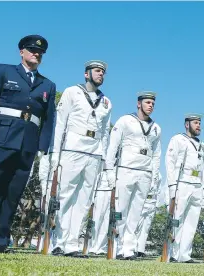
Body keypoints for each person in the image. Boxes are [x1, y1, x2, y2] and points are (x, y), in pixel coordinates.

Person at [0, 34, 56, 253]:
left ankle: (0, 241)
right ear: (21, 52)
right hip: (3, 138)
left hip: (28, 144)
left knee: (14, 194)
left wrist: (43, 148)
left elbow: (48, 120)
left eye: (40, 52)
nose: (36, 54)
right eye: (32, 50)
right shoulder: (3, 71)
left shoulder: (48, 84)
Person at [49, 60, 112, 257]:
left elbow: (105, 134)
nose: (100, 74)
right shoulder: (71, 92)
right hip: (72, 150)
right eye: (97, 71)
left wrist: (104, 160)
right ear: (86, 74)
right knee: (65, 196)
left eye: (103, 72)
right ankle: (58, 242)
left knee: (84, 201)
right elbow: (60, 124)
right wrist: (55, 153)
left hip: (94, 154)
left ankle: (72, 244)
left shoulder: (106, 102)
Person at [104, 91, 161, 260]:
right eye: (147, 102)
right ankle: (119, 246)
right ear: (138, 104)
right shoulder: (125, 121)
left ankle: (128, 248)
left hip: (144, 173)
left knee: (136, 213)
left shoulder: (157, 128)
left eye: (152, 103)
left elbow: (156, 154)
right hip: (126, 169)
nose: (150, 105)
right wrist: (109, 170)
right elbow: (112, 147)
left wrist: (154, 176)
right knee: (121, 210)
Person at [165, 113, 204, 263]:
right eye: (195, 123)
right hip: (182, 182)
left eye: (199, 123)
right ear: (187, 124)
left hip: (197, 184)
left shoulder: (203, 146)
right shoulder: (178, 139)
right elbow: (170, 162)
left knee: (192, 222)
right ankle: (173, 253)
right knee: (177, 219)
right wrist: (172, 185)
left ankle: (185, 255)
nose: (198, 126)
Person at [134, 172, 162, 257]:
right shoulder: (143, 171)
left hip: (152, 202)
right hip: (142, 201)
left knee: (146, 228)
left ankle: (140, 250)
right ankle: (133, 248)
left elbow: (159, 190)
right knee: (136, 226)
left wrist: (157, 205)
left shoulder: (159, 175)